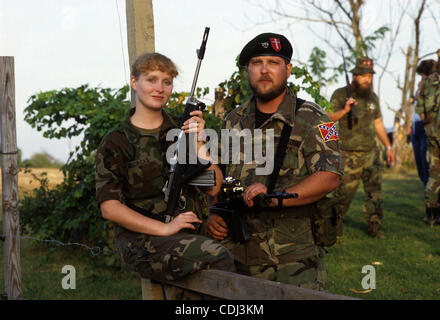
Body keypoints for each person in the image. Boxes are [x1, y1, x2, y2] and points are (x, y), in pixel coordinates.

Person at [207, 33, 343, 290]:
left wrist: (274, 197)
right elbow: (219, 175)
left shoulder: (315, 118)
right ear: (248, 69)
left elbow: (329, 176)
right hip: (235, 253)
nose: (264, 70)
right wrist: (214, 210)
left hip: (290, 260)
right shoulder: (233, 120)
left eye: (273, 62)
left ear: (288, 69)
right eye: (257, 62)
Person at [95, 52, 235, 284]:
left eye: (166, 82)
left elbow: (213, 188)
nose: (159, 88)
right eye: (151, 80)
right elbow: (110, 208)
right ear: (134, 82)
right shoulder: (117, 141)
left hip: (188, 235)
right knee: (217, 256)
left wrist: (198, 140)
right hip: (141, 240)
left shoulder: (182, 132)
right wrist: (164, 228)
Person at [328, 57, 394, 238]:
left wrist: (388, 147)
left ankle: (374, 226)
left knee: (375, 193)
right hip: (348, 153)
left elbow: (378, 122)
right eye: (364, 76)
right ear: (355, 76)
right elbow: (328, 119)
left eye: (370, 76)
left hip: (372, 152)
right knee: (343, 194)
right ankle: (332, 226)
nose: (368, 79)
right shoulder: (341, 95)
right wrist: (345, 111)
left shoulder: (372, 97)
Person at [415, 56, 440, 227]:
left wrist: (430, 126)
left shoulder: (427, 83)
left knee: (433, 174)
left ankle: (431, 216)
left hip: (432, 134)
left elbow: (420, 110)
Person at [410, 60, 435, 188]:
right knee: (420, 165)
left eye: (423, 75)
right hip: (416, 128)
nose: (421, 79)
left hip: (425, 126)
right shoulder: (422, 86)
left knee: (427, 165)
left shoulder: (432, 87)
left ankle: (432, 199)